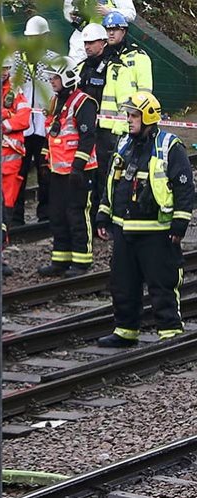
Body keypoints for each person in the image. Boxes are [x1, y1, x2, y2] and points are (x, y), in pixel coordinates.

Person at [96, 92, 194, 347]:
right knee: (123, 283)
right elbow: (111, 183)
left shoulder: (169, 146)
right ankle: (126, 330)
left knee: (162, 282)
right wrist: (103, 216)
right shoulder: (123, 145)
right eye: (128, 115)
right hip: (124, 229)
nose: (129, 120)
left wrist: (179, 224)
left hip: (157, 230)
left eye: (133, 116)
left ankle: (169, 331)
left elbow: (184, 188)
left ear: (148, 117)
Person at [37, 56, 99, 278]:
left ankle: (81, 260)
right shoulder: (56, 102)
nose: (52, 82)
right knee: (58, 214)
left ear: (67, 77)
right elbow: (51, 132)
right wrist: (46, 159)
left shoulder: (84, 103)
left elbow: (88, 137)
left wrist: (78, 167)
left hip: (78, 172)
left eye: (55, 78)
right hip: (58, 170)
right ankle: (60, 260)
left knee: (77, 214)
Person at [77, 23, 133, 224]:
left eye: (91, 42)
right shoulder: (83, 67)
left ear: (102, 42)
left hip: (108, 134)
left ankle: (105, 220)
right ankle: (89, 218)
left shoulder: (116, 68)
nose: (87, 47)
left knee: (106, 179)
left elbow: (126, 104)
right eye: (85, 43)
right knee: (86, 177)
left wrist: (118, 134)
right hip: (86, 133)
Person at [11, 15, 59, 226]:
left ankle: (46, 215)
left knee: (45, 173)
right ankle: (16, 217)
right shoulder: (15, 61)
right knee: (18, 174)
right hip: (21, 128)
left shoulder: (54, 61)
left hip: (44, 128)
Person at [0, 56, 31, 225]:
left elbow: (24, 118)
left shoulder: (14, 90)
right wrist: (7, 114)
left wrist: (5, 123)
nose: (3, 72)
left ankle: (3, 235)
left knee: (8, 200)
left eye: (5, 68)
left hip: (10, 157)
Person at [63, 0, 136, 62]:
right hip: (81, 34)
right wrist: (71, 15)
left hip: (104, 37)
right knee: (74, 67)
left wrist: (110, 11)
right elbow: (68, 8)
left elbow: (131, 14)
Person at [102, 11, 153, 93]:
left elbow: (145, 91)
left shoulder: (138, 56)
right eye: (108, 30)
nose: (111, 33)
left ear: (123, 32)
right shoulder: (101, 55)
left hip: (131, 105)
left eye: (115, 29)